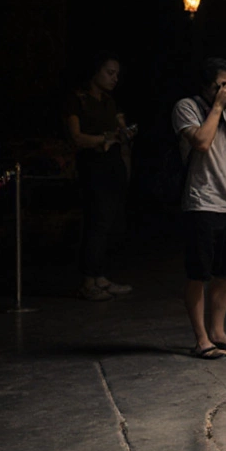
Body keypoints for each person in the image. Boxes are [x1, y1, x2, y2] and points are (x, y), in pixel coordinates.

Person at [172, 58, 226, 360]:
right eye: (221, 86)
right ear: (206, 87)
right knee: (199, 274)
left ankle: (218, 332)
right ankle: (201, 339)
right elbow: (202, 143)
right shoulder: (187, 107)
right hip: (201, 203)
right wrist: (218, 108)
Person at [64, 55, 135, 301]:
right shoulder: (78, 100)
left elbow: (121, 130)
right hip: (93, 167)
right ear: (95, 72)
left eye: (117, 74)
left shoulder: (109, 101)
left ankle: (100, 276)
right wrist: (102, 140)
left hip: (112, 165)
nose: (114, 78)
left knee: (110, 222)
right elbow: (77, 136)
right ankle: (88, 280)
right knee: (95, 222)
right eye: (109, 73)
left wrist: (123, 135)